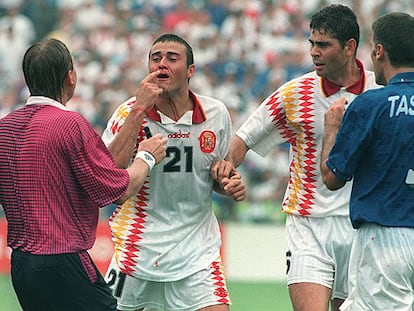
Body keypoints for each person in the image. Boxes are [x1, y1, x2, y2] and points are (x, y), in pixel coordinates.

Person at [212, 4, 380, 311]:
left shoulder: (378, 92)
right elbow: (245, 138)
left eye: (324, 45)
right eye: (312, 43)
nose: (314, 52)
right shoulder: (295, 93)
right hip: (308, 225)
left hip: (362, 228)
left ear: (349, 47)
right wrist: (226, 172)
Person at [0, 38, 167, 311]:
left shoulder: (5, 128)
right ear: (71, 77)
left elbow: (104, 166)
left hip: (21, 267)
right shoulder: (69, 124)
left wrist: (137, 111)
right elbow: (119, 189)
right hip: (64, 261)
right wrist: (147, 157)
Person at [102, 33, 246, 311]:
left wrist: (227, 183)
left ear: (191, 70)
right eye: (155, 58)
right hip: (137, 254)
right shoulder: (128, 113)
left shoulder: (216, 114)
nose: (161, 64)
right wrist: (139, 109)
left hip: (197, 255)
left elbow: (214, 175)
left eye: (171, 58)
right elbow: (109, 177)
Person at [321, 12, 414, 310]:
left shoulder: (371, 104)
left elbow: (332, 178)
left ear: (379, 51)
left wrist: (332, 128)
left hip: (385, 236)